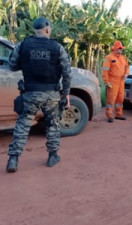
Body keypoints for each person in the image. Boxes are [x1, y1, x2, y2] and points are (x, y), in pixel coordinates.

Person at [6, 17, 72, 173]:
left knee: (23, 124)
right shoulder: (57, 47)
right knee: (52, 125)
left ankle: (13, 159)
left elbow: (12, 66)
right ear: (47, 29)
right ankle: (52, 156)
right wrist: (66, 94)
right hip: (52, 94)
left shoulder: (23, 45)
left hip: (30, 93)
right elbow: (67, 73)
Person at [102, 41, 129, 123]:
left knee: (120, 98)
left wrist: (126, 74)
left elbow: (127, 67)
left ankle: (118, 114)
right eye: (119, 48)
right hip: (112, 81)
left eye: (121, 48)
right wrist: (106, 81)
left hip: (121, 81)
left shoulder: (123, 58)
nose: (120, 50)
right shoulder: (108, 58)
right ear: (114, 49)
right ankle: (109, 116)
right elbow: (105, 71)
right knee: (111, 99)